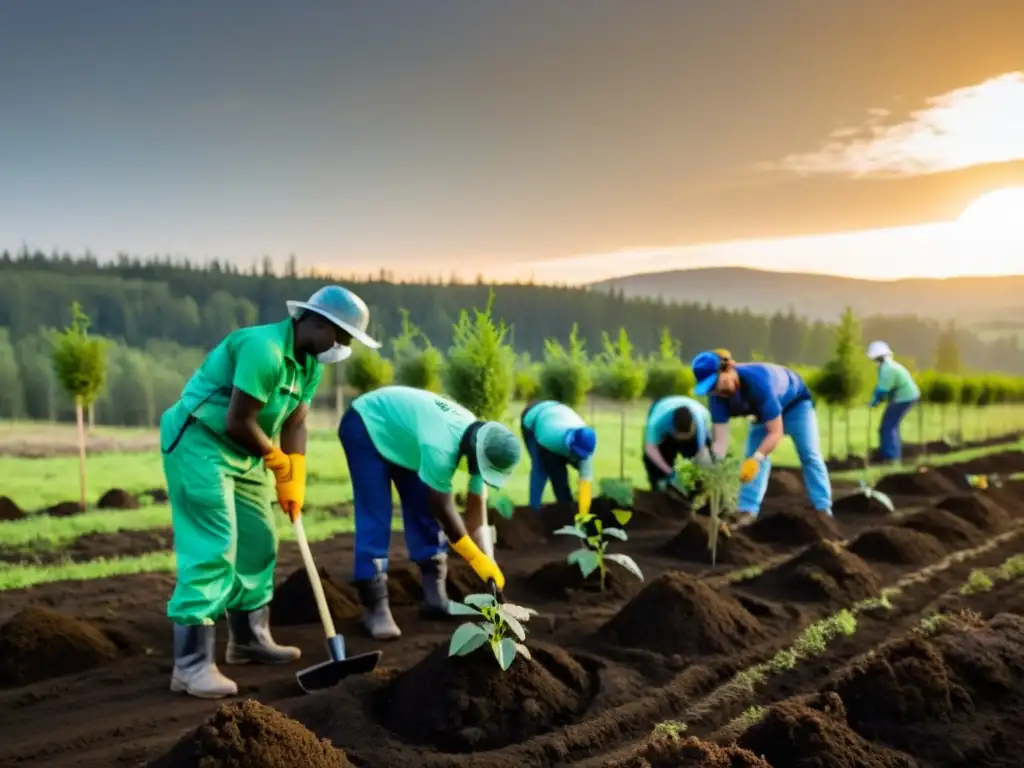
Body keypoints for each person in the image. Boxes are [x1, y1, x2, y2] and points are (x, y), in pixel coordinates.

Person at [159, 285, 379, 699]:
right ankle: (190, 665)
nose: (344, 346)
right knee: (214, 542)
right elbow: (238, 421)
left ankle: (247, 639)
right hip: (201, 442)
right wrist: (275, 460)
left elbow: (295, 424)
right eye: (343, 336)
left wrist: (293, 476)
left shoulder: (308, 365)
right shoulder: (264, 349)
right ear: (317, 323)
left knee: (260, 539)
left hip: (245, 453)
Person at [339, 385, 522, 640]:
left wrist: (486, 555)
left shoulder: (481, 439)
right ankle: (375, 606)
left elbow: (476, 506)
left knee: (422, 509)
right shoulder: (441, 447)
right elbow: (444, 509)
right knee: (377, 514)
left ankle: (435, 596)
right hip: (366, 423)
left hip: (405, 437)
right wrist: (476, 559)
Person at [691, 349, 831, 525]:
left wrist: (756, 459)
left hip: (795, 404)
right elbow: (720, 443)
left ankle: (823, 509)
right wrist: (710, 468)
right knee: (751, 455)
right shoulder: (717, 398)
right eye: (709, 388)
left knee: (809, 455)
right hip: (762, 413)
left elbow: (776, 432)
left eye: (714, 383)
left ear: (726, 370)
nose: (715, 391)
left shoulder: (757, 382)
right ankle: (747, 511)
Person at [520, 400, 597, 515]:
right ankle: (533, 512)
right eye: (575, 453)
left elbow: (585, 483)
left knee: (559, 469)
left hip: (557, 414)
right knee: (542, 468)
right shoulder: (550, 439)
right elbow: (544, 468)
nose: (577, 457)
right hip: (534, 419)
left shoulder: (585, 447)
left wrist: (584, 515)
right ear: (571, 443)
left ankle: (566, 509)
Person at [642, 395, 713, 492]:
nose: (683, 441)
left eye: (686, 437)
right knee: (653, 462)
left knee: (707, 461)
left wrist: (701, 472)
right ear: (674, 431)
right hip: (662, 408)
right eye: (681, 437)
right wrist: (670, 472)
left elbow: (703, 451)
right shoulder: (657, 422)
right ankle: (660, 490)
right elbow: (650, 449)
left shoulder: (701, 419)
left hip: (695, 412)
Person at [866, 340, 921, 463]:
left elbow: (882, 390)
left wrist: (874, 401)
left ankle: (891, 457)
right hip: (905, 396)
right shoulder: (887, 366)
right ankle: (892, 453)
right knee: (891, 425)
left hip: (905, 397)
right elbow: (882, 387)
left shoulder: (888, 369)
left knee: (887, 426)